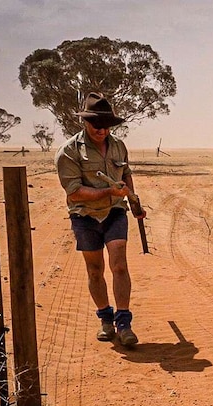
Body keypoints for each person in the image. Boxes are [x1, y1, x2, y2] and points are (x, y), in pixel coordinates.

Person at [55, 92, 145, 346]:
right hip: (85, 216)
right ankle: (106, 319)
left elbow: (125, 173)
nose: (102, 131)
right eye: (97, 125)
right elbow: (73, 192)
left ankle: (124, 324)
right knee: (95, 270)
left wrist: (134, 202)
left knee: (119, 265)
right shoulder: (68, 152)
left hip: (115, 211)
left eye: (106, 126)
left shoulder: (118, 145)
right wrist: (107, 191)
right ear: (84, 122)